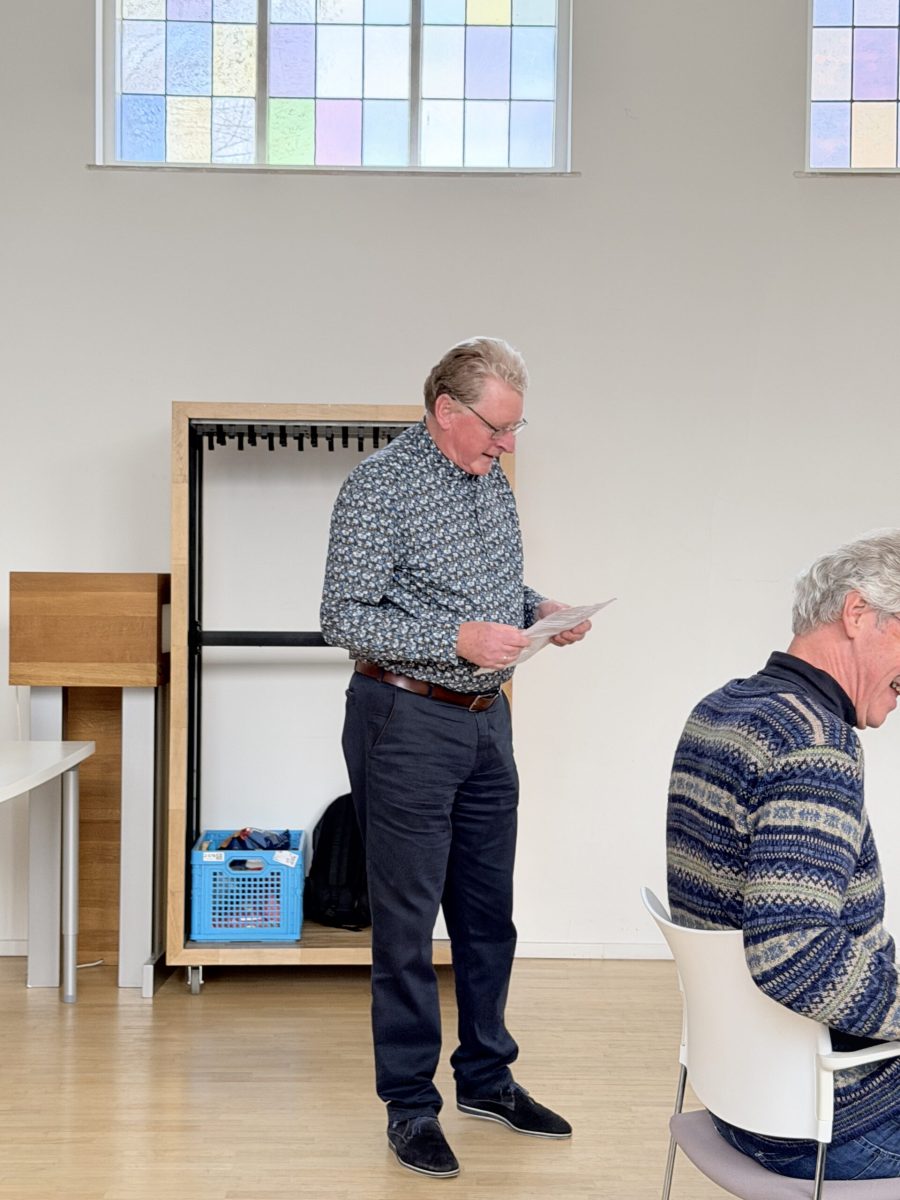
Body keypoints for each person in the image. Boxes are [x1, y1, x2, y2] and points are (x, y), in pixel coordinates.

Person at [320, 337, 591, 1179]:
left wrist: (538, 607)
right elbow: (342, 615)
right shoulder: (378, 487)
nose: (506, 445)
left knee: (487, 913)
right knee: (406, 927)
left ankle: (486, 1078)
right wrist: (455, 639)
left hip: (485, 721)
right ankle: (410, 1105)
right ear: (446, 410)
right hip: (403, 719)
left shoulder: (489, 484)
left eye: (513, 430)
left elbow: (486, 591)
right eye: (496, 428)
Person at [666, 530, 900, 1181]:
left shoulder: (722, 709)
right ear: (858, 613)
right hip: (830, 1119)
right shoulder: (813, 742)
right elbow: (795, 951)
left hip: (745, 1097)